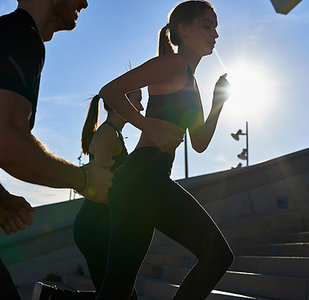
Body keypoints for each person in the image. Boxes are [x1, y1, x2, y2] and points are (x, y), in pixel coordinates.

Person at [0, 0, 114, 299]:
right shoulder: (20, 37)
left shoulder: (6, 35)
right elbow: (3, 142)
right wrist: (83, 180)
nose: (85, 2)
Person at [95, 1, 234, 299]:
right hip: (145, 177)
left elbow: (198, 143)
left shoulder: (192, 81)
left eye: (216, 27)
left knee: (115, 290)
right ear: (183, 29)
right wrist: (149, 126)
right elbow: (109, 91)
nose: (215, 34)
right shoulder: (172, 64)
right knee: (218, 256)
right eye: (207, 25)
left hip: (139, 181)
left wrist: (218, 103)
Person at [33, 90, 143, 300]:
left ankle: (50, 296)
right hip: (95, 228)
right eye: (138, 100)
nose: (141, 108)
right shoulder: (107, 134)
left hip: (101, 225)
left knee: (119, 294)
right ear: (122, 101)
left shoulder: (114, 134)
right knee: (121, 295)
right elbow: (98, 187)